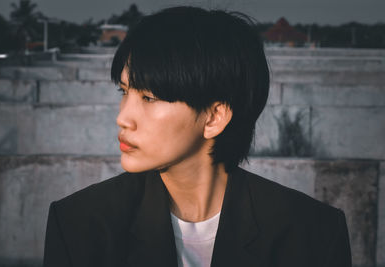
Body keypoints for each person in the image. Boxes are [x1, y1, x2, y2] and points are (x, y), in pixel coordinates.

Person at [43, 6, 352, 267]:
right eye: (124, 92)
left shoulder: (313, 234)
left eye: (148, 98)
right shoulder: (80, 225)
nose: (123, 117)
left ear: (214, 117)